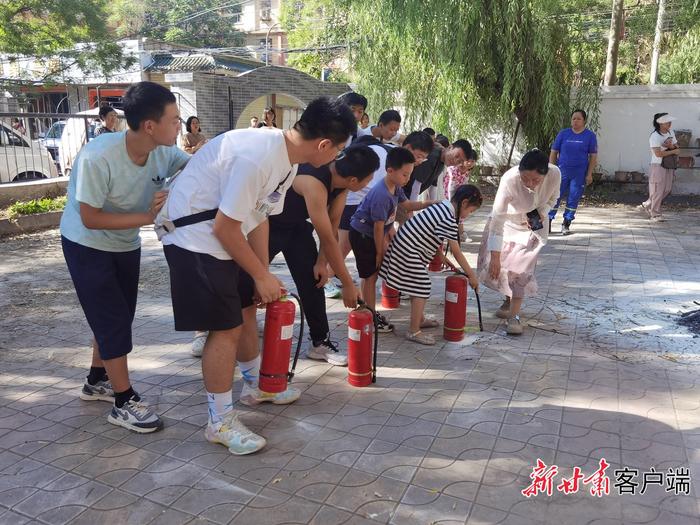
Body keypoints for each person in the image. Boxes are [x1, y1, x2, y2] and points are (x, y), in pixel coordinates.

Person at [161, 97, 356, 455]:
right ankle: (218, 421)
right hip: (194, 238)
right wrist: (258, 273)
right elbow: (225, 226)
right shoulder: (259, 156)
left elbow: (260, 216)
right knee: (226, 327)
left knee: (248, 306)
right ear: (325, 145)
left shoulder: (287, 160)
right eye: (339, 150)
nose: (337, 158)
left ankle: (258, 385)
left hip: (220, 233)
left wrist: (261, 274)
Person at [60, 81, 188, 433]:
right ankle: (123, 401)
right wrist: (150, 217)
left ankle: (95, 380)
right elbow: (90, 217)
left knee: (116, 317)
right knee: (113, 319)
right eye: (175, 120)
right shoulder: (99, 157)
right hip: (85, 242)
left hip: (124, 243)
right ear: (150, 125)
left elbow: (197, 168)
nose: (180, 125)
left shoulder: (165, 153)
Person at [191, 146, 379, 364]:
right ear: (355, 180)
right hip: (266, 226)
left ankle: (319, 342)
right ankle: (205, 331)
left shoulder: (342, 184)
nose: (369, 184)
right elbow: (326, 238)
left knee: (314, 280)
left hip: (296, 228)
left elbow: (332, 226)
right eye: (369, 179)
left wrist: (321, 263)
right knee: (241, 279)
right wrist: (347, 283)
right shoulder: (315, 183)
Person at [349, 147, 438, 332]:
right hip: (364, 235)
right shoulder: (381, 194)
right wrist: (380, 252)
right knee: (370, 276)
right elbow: (378, 227)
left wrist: (429, 203)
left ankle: (368, 310)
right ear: (390, 170)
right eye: (405, 174)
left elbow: (406, 205)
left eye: (409, 174)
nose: (407, 179)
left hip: (373, 234)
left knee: (369, 276)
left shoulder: (396, 187)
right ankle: (371, 317)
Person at [380, 184, 482, 345]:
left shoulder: (443, 207)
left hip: (405, 246)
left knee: (419, 284)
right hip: (407, 249)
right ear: (464, 203)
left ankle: (419, 319)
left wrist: (440, 256)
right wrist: (472, 276)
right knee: (422, 285)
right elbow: (457, 251)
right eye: (470, 211)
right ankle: (413, 331)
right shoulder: (448, 217)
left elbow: (431, 232)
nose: (468, 215)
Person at [477, 149, 561, 336]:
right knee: (505, 268)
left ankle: (514, 316)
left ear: (545, 174)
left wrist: (542, 212)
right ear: (519, 171)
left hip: (532, 226)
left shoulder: (555, 173)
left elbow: (554, 197)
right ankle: (508, 300)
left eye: (536, 180)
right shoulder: (509, 180)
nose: (530, 184)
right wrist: (495, 256)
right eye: (526, 179)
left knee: (521, 271)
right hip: (508, 224)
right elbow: (498, 220)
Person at [338, 131, 434, 262]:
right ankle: (327, 277)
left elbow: (397, 200)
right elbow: (381, 198)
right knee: (341, 249)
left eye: (423, 158)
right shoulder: (390, 162)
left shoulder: (396, 160)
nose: (419, 161)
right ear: (408, 148)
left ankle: (333, 274)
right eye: (419, 156)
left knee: (343, 250)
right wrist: (386, 229)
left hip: (361, 203)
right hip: (353, 201)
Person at [548, 109, 598, 235]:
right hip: (561, 172)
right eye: (573, 118)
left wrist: (589, 173)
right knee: (554, 197)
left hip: (579, 173)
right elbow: (554, 152)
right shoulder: (563, 134)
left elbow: (593, 156)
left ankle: (566, 223)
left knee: (573, 198)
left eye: (578, 119)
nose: (575, 121)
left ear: (584, 121)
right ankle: (547, 222)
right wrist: (552, 169)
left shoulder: (590, 136)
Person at [638, 113, 680, 222]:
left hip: (669, 165)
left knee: (667, 189)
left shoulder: (671, 132)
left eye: (670, 121)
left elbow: (677, 146)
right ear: (660, 123)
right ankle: (655, 214)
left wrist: (672, 147)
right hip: (657, 165)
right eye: (667, 121)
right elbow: (657, 154)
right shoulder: (654, 136)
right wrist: (673, 151)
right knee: (658, 190)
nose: (670, 123)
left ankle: (647, 205)